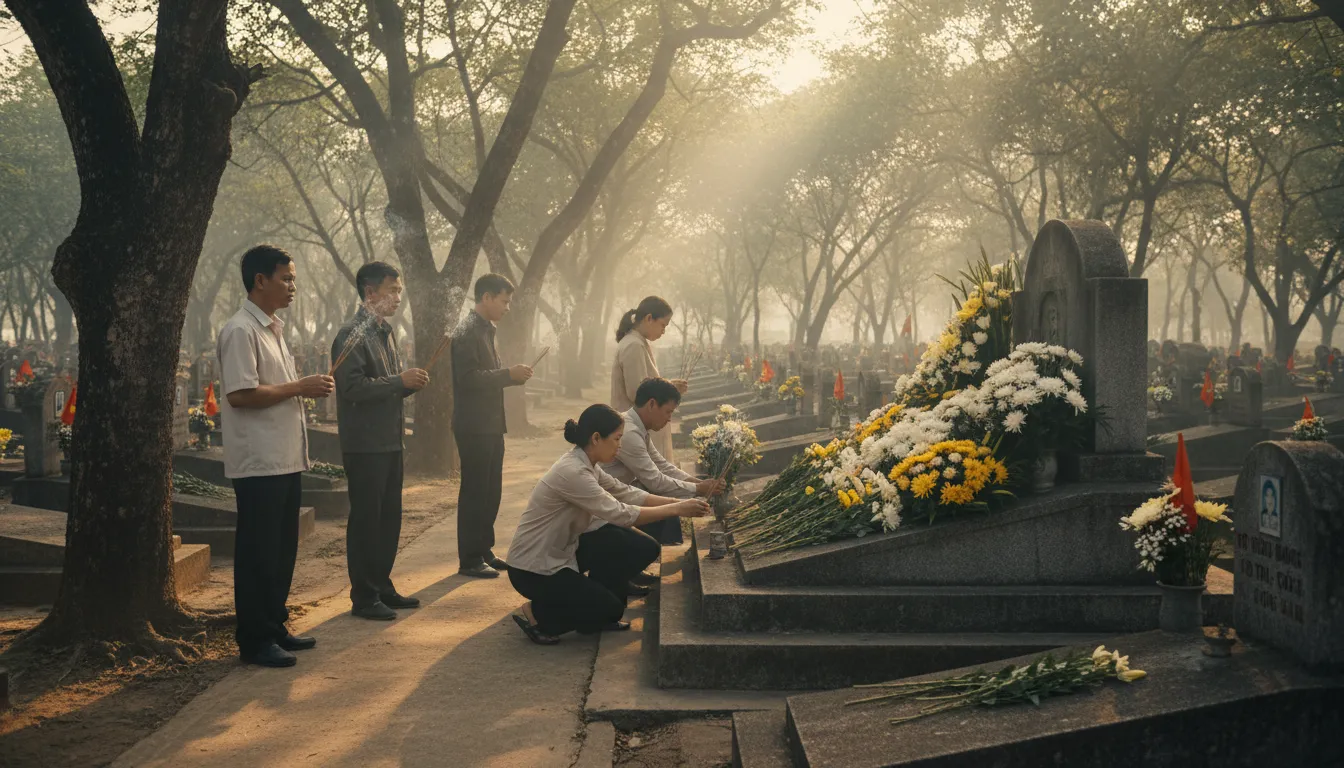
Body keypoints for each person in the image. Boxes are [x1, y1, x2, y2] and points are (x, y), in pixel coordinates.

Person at [218, 245, 335, 668]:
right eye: (285, 279)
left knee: (282, 549)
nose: (292, 287)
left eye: (294, 279)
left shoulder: (273, 329)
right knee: (258, 552)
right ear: (259, 280)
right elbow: (240, 394)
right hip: (259, 461)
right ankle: (254, 638)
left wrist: (302, 387)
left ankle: (275, 623)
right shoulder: (240, 331)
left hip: (285, 458)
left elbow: (279, 389)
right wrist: (298, 387)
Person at [507, 405, 710, 644]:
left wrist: (680, 501)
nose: (619, 446)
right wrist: (678, 509)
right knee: (609, 609)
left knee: (639, 545)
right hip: (533, 569)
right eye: (616, 439)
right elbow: (620, 513)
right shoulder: (573, 472)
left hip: (561, 551)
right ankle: (540, 615)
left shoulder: (587, 463)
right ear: (596, 438)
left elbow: (626, 492)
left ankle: (591, 601)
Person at [334, 262, 430, 620]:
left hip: (390, 440)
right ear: (370, 293)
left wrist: (406, 384)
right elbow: (353, 388)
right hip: (365, 444)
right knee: (367, 520)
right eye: (391, 290)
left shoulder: (383, 332)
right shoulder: (351, 334)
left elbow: (385, 387)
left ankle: (382, 585)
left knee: (390, 517)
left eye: (399, 291)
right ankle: (364, 596)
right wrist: (399, 382)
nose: (397, 297)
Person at [451, 273, 533, 578]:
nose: (507, 307)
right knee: (474, 491)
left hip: (490, 423)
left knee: (491, 490)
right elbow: (469, 378)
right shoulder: (467, 330)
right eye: (504, 300)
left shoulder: (486, 330)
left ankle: (483, 549)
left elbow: (487, 375)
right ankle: (469, 558)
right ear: (486, 298)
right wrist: (507, 374)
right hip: (473, 425)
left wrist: (510, 375)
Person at [610, 296, 689, 544]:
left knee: (654, 479)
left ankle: (650, 543)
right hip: (636, 424)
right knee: (649, 484)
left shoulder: (639, 342)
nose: (664, 331)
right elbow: (638, 392)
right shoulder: (633, 345)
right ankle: (646, 544)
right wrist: (667, 387)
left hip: (642, 425)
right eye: (663, 325)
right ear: (648, 319)